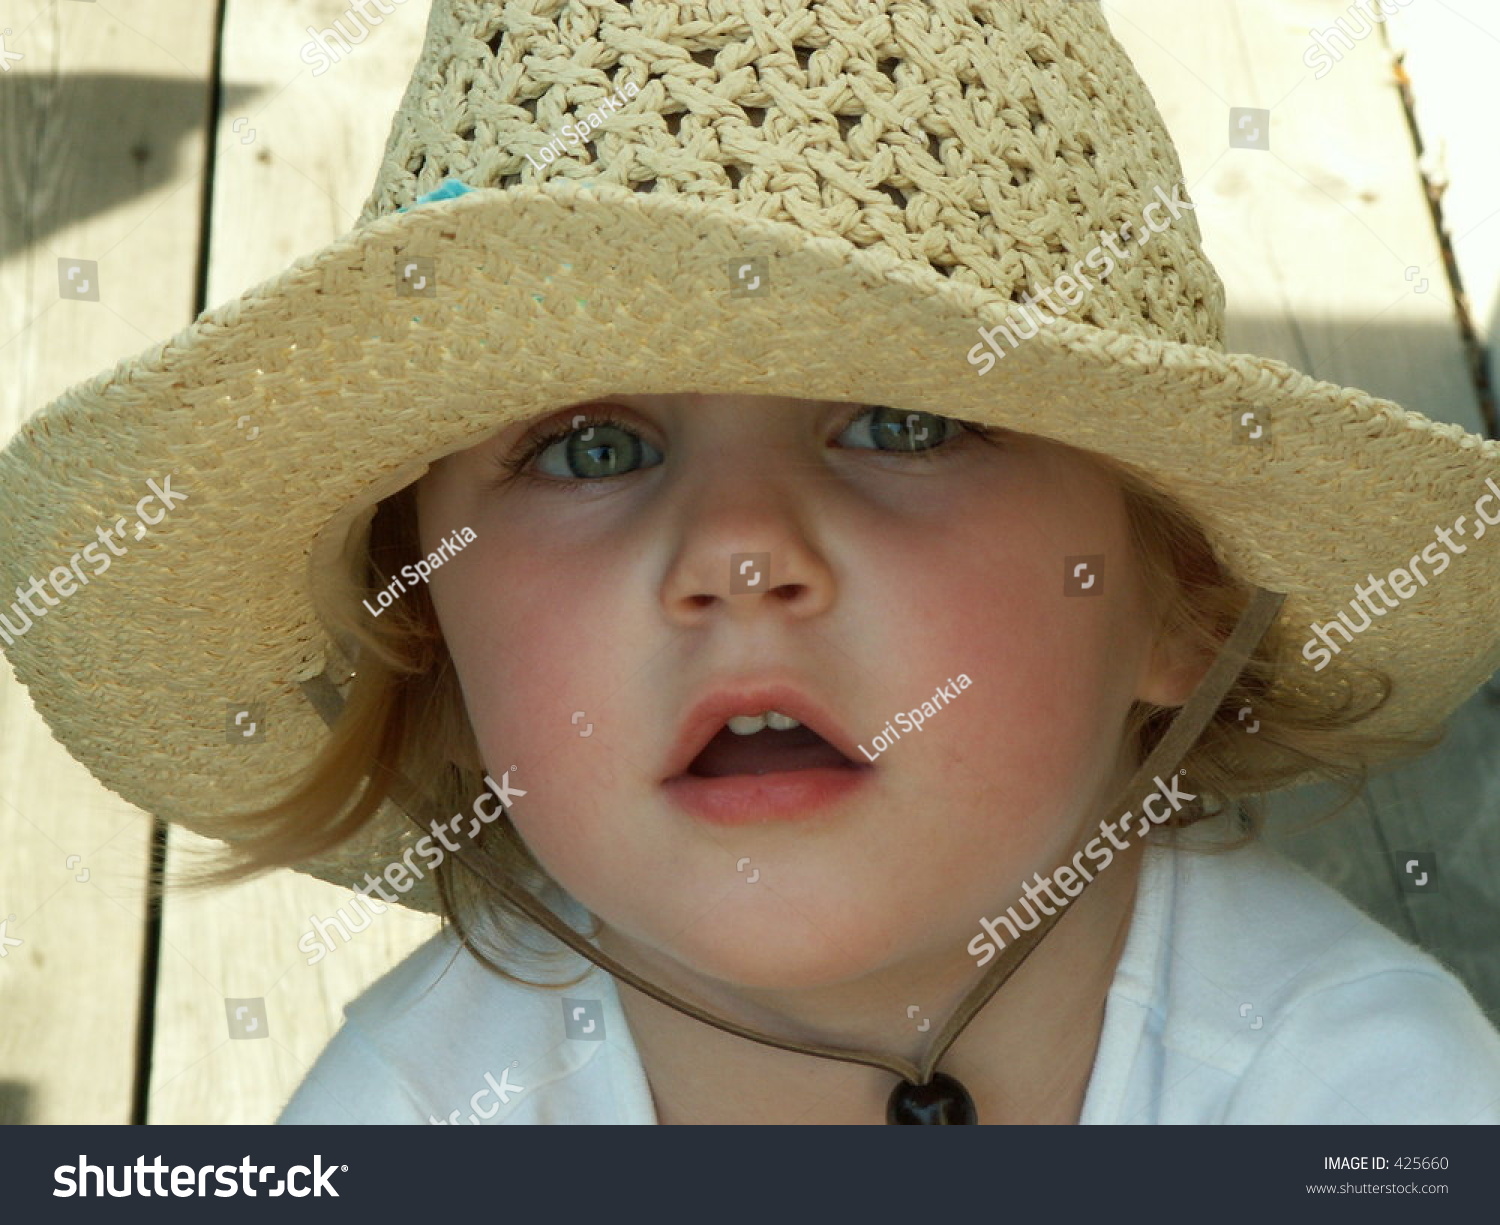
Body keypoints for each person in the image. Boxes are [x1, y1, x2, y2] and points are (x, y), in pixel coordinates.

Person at [3, 0, 1498, 1125]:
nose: (737, 550)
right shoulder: (409, 1115)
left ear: (1174, 600)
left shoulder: (1361, 1089)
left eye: (902, 421)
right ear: (431, 623)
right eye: (593, 448)